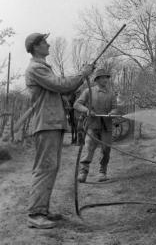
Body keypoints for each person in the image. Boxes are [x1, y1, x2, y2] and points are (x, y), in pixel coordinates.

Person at [25, 32, 94, 229]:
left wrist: (83, 75)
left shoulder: (43, 68)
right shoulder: (37, 68)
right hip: (46, 124)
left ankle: (42, 210)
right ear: (36, 46)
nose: (48, 45)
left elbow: (66, 89)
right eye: (44, 42)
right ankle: (35, 214)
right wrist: (83, 74)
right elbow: (61, 85)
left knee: (51, 167)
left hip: (52, 123)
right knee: (45, 168)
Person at [74, 68, 121, 183]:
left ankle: (102, 173)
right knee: (89, 148)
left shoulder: (111, 93)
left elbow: (115, 108)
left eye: (107, 77)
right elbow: (77, 104)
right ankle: (83, 172)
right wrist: (86, 110)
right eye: (103, 77)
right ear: (97, 79)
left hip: (107, 127)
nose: (106, 80)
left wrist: (113, 113)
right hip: (92, 125)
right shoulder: (88, 91)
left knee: (106, 150)